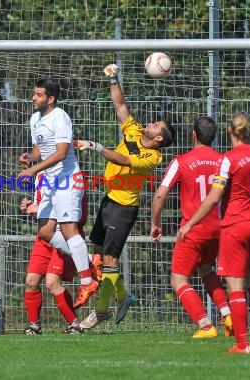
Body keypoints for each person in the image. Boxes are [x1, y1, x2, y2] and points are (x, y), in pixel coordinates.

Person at [177, 112, 250, 354]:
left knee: (235, 286)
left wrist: (190, 223)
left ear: (230, 132)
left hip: (236, 226)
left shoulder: (228, 159)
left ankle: (242, 345)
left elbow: (214, 197)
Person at [75, 63, 175, 329]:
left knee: (109, 261)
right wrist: (113, 79)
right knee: (98, 256)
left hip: (123, 208)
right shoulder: (135, 130)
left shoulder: (152, 157)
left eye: (156, 125)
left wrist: (96, 147)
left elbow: (122, 158)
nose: (150, 124)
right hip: (109, 200)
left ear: (159, 139)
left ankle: (101, 311)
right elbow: (121, 107)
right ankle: (122, 295)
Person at [16, 77, 98, 309]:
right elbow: (39, 149)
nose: (34, 98)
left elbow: (62, 153)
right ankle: (90, 262)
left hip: (68, 179)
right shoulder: (35, 119)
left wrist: (33, 169)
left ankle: (87, 280)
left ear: (50, 99)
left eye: (39, 95)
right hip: (51, 181)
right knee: (45, 230)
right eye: (34, 93)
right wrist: (30, 157)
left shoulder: (60, 117)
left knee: (69, 229)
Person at [150, 116, 233, 339]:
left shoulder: (181, 161)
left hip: (193, 229)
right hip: (218, 228)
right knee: (206, 269)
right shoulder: (223, 161)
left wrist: (155, 223)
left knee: (178, 279)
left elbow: (160, 194)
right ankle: (228, 315)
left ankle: (205, 325)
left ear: (193, 135)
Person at [21, 171, 89, 335]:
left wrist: (39, 209)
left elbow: (78, 214)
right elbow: (40, 210)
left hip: (65, 236)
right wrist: (29, 208)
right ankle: (34, 327)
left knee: (52, 283)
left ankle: (74, 325)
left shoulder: (74, 175)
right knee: (31, 281)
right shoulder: (41, 176)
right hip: (44, 237)